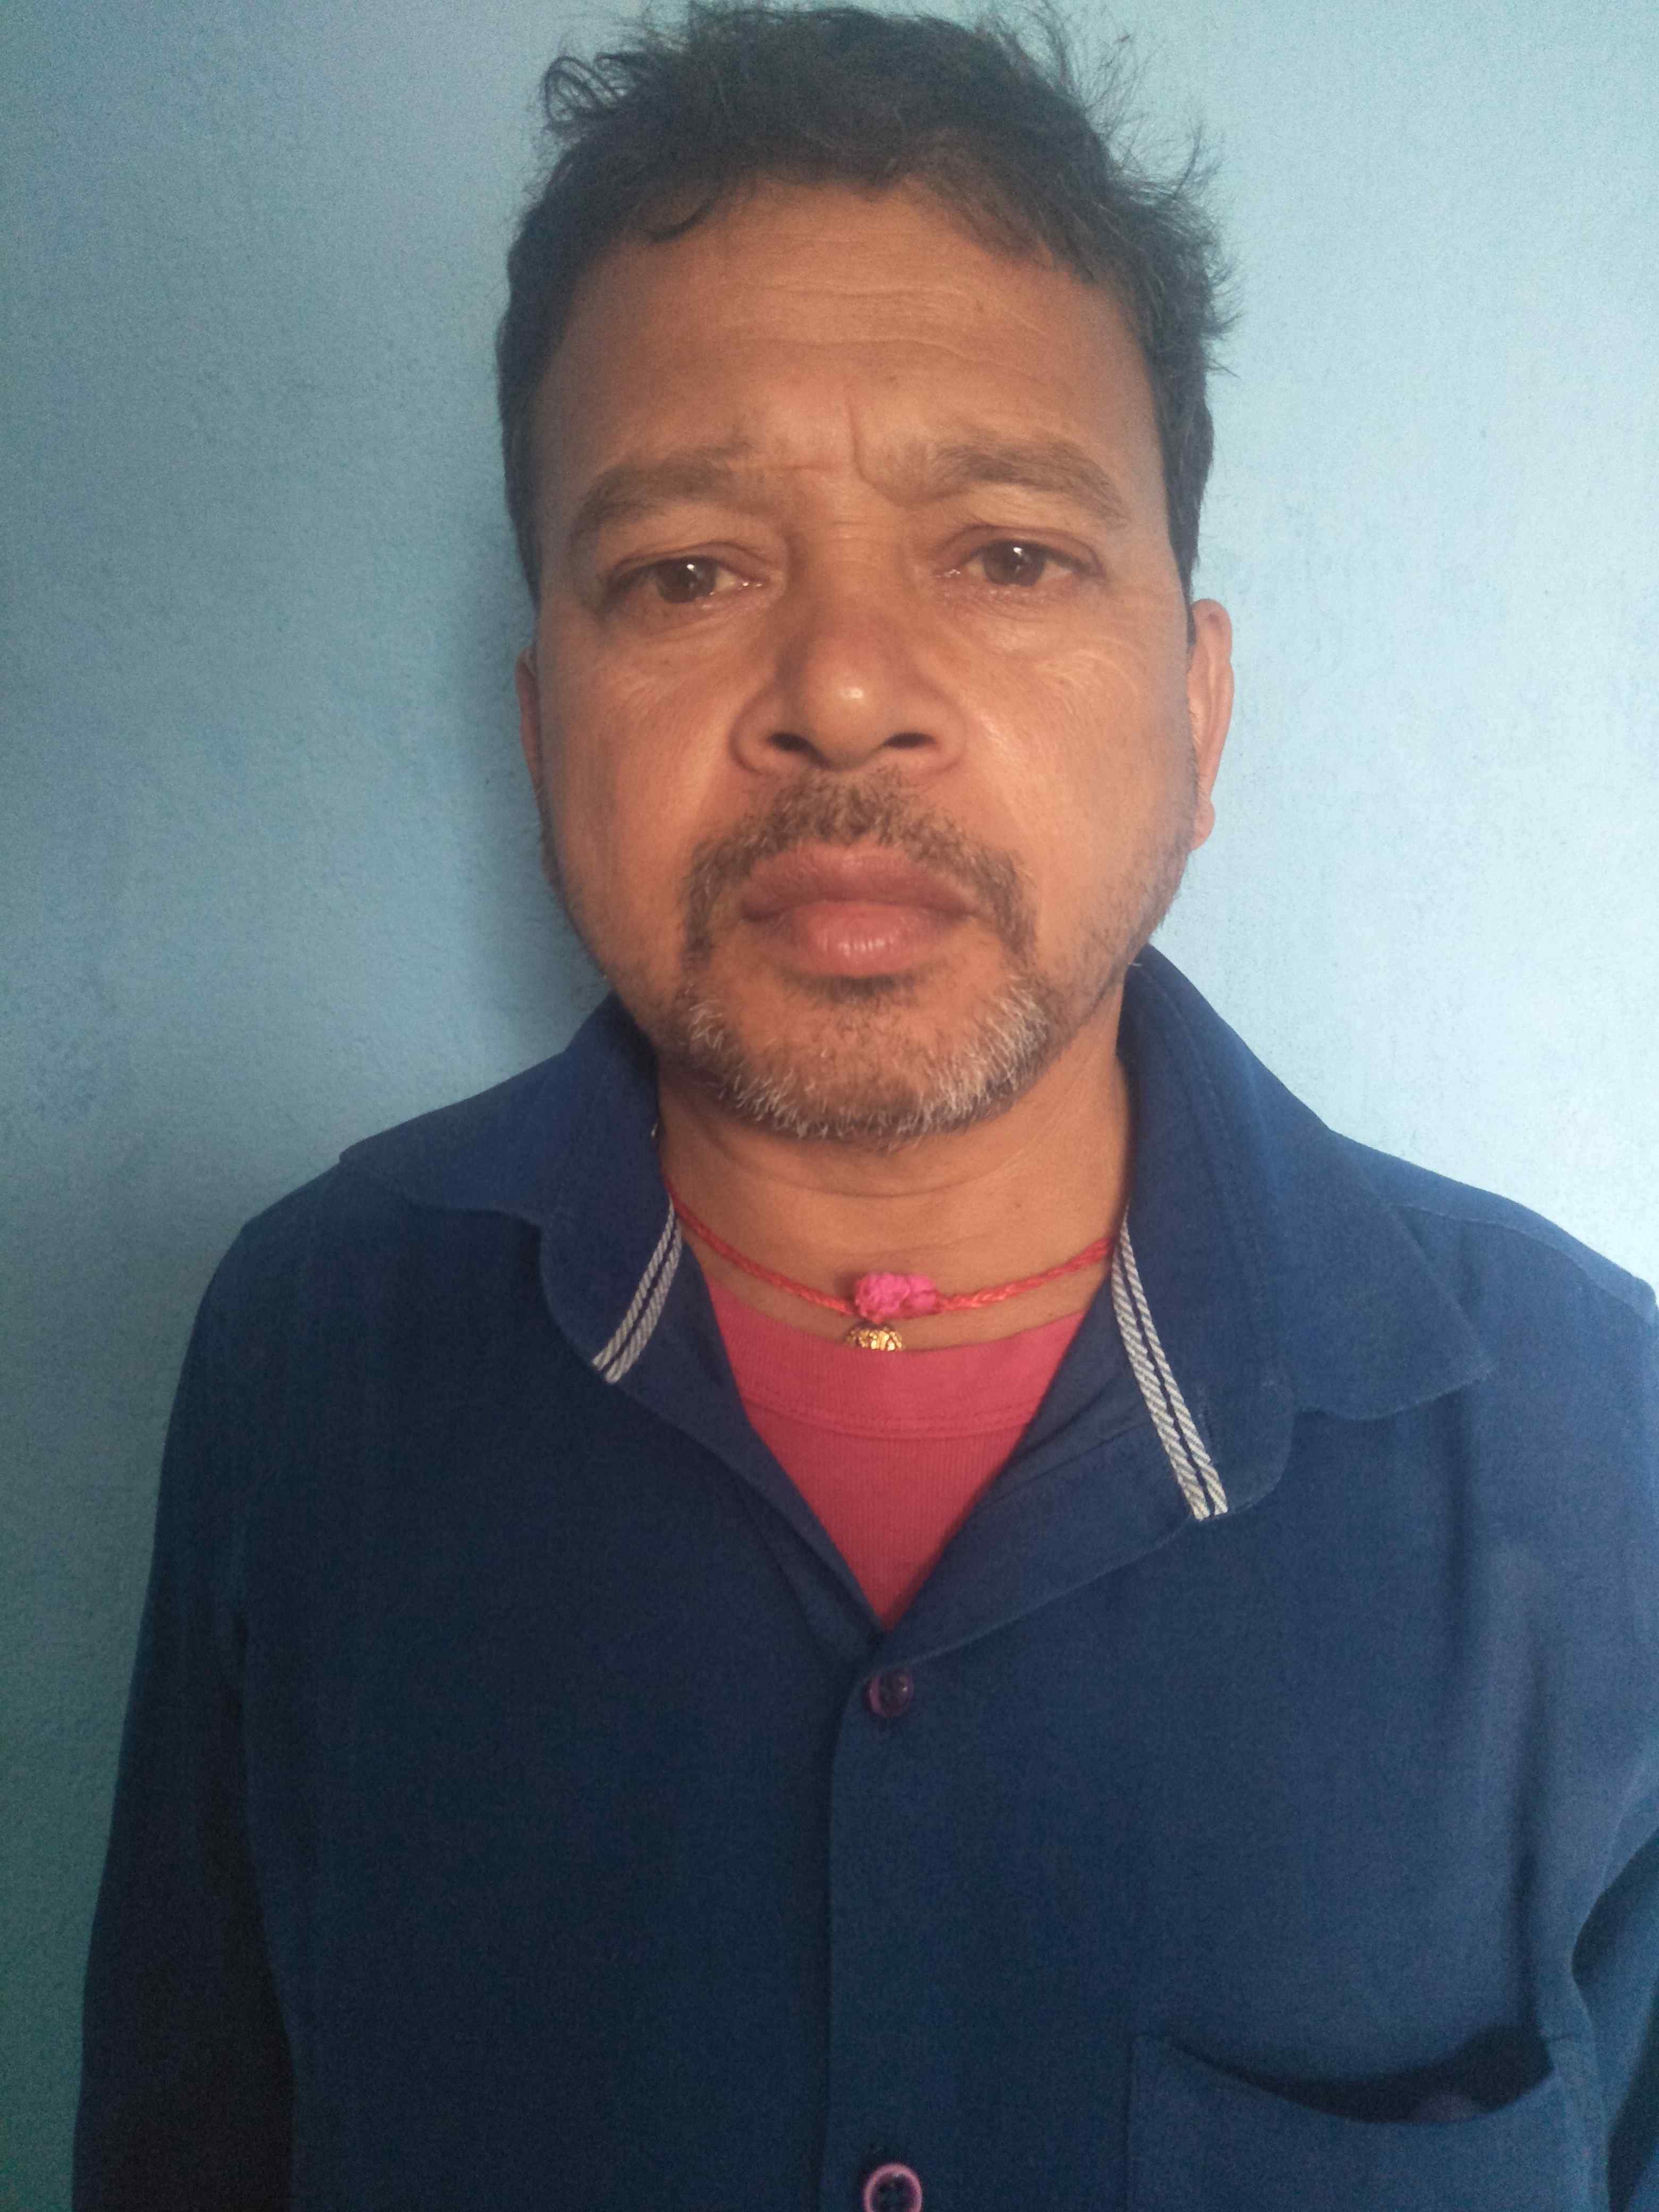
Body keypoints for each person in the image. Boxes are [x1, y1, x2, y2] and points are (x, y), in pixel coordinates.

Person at [74, 6, 1658, 2207]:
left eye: (1005, 552)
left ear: (1198, 710)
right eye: (686, 572)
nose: (838, 689)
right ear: (540, 728)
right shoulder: (312, 1355)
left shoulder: (1604, 1446)